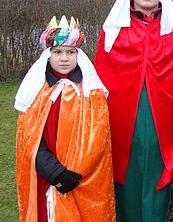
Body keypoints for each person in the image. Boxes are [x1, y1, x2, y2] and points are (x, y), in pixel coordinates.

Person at [93, 0, 173, 221]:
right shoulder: (113, 32)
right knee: (125, 182)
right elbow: (100, 81)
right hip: (123, 124)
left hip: (165, 127)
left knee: (157, 185)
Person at [15, 15, 115, 221]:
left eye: (71, 52)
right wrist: (55, 173)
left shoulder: (91, 92)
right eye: (57, 52)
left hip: (84, 179)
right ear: (48, 55)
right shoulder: (36, 93)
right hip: (48, 177)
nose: (64, 58)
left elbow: (98, 138)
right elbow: (29, 139)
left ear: (78, 55)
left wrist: (76, 172)